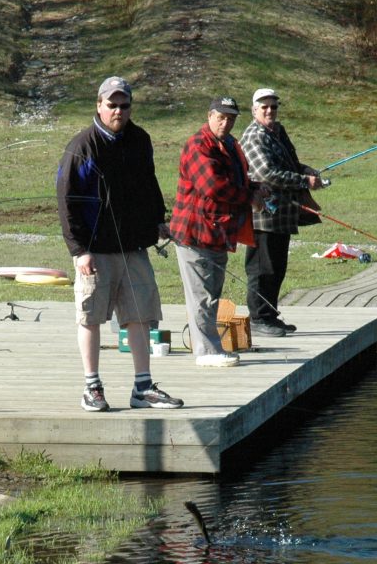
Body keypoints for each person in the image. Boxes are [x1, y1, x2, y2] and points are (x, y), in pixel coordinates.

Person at [56, 76, 184, 412]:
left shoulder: (140, 139)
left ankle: (143, 387)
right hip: (94, 251)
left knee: (141, 315)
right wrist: (78, 250)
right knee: (91, 317)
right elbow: (66, 202)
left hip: (133, 247)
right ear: (98, 105)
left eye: (124, 105)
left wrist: (158, 220)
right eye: (111, 104)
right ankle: (92, 387)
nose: (118, 111)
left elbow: (149, 183)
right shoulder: (81, 146)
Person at [169, 95, 258, 367]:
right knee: (202, 296)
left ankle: (209, 347)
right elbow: (214, 187)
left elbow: (236, 180)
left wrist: (253, 188)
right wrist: (249, 196)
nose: (225, 122)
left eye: (231, 118)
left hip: (217, 233)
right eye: (221, 117)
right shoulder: (199, 145)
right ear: (209, 116)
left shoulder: (230, 144)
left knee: (211, 294)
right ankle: (206, 352)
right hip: (194, 233)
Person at [239, 87, 324, 337]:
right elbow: (267, 173)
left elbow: (289, 163)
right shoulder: (254, 135)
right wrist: (302, 181)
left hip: (283, 214)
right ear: (254, 110)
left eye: (273, 106)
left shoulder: (278, 131)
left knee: (277, 267)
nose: (269, 111)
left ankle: (270, 315)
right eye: (264, 106)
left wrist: (308, 171)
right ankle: (258, 318)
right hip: (263, 214)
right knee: (260, 268)